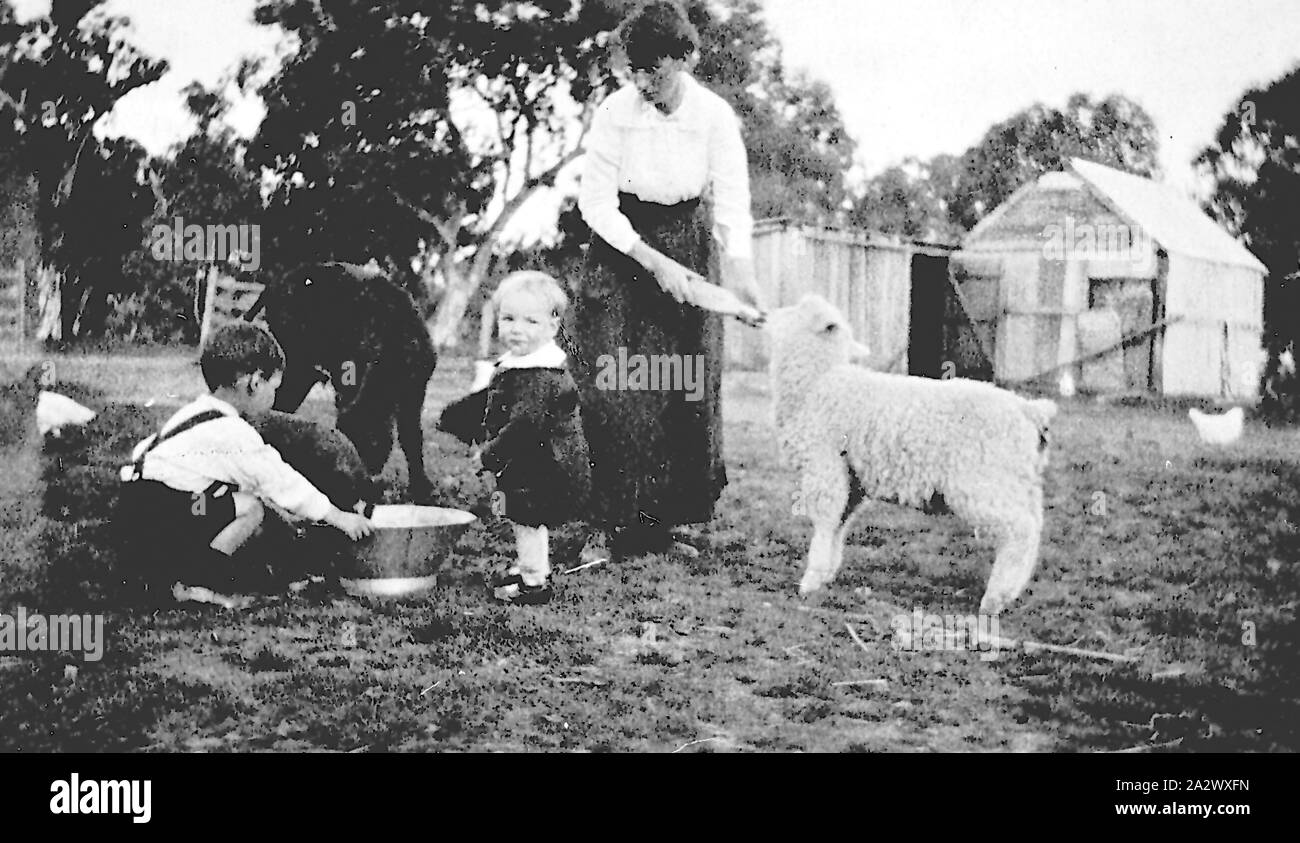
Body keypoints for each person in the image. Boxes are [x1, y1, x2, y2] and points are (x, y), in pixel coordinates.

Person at [571, 0, 764, 562]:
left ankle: (668, 523)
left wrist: (742, 274)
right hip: (621, 243)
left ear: (685, 58)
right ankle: (608, 522)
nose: (640, 80)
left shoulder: (714, 116)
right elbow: (596, 202)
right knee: (613, 382)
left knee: (685, 381)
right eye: (632, 69)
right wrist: (651, 260)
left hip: (687, 235)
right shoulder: (615, 111)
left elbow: (732, 200)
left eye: (651, 69)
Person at [118, 322, 374, 607]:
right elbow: (279, 481)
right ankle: (199, 583)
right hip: (162, 511)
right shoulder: (233, 432)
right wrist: (338, 517)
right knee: (251, 508)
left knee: (237, 501)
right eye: (274, 387)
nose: (275, 397)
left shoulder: (196, 412)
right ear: (253, 382)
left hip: (137, 508)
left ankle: (170, 571)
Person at [438, 271, 591, 605]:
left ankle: (534, 582)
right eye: (508, 318)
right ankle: (529, 568)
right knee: (524, 519)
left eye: (531, 322)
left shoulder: (539, 376)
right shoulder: (522, 366)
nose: (517, 329)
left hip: (545, 466)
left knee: (527, 520)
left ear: (552, 327)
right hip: (533, 463)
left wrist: (488, 455)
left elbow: (523, 426)